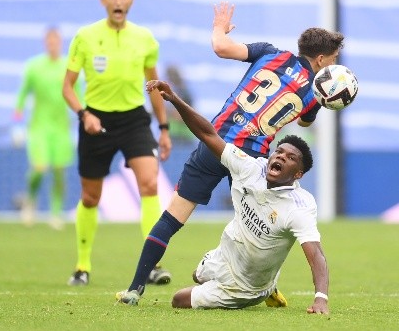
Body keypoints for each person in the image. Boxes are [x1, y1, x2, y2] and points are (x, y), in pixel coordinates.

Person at [116, 1, 343, 305]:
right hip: (254, 161)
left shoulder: (269, 53)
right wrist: (323, 98)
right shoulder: (315, 93)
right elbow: (303, 120)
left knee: (172, 217)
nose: (333, 67)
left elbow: (221, 47)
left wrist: (219, 27)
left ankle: (134, 288)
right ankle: (268, 287)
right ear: (319, 59)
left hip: (216, 143)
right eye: (332, 61)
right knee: (263, 229)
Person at [120, 80, 330, 314]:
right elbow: (208, 134)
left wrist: (321, 298)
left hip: (247, 284)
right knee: (196, 275)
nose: (280, 157)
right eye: (279, 151)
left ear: (298, 174)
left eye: (290, 158)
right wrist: (174, 99)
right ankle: (256, 286)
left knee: (178, 300)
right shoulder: (250, 167)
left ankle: (264, 289)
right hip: (226, 257)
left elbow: (316, 255)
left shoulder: (300, 206)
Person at [62, 0, 172, 286]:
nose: (118, 1)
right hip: (95, 120)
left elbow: (154, 86)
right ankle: (82, 266)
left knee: (150, 184)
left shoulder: (145, 39)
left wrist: (163, 127)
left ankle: (152, 265)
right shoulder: (85, 37)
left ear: (131, 1)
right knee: (90, 196)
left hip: (134, 120)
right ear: (103, 1)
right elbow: (67, 88)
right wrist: (84, 114)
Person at [13, 27, 78, 230]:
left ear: (60, 43)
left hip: (61, 128)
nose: (52, 45)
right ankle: (30, 201)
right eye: (49, 41)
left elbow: (78, 94)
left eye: (56, 41)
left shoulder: (68, 66)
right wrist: (17, 118)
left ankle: (56, 213)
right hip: (39, 127)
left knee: (59, 172)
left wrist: (83, 116)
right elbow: (23, 93)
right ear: (45, 43)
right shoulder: (34, 67)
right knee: (39, 169)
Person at [164, 64, 195, 144]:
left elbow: (188, 114)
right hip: (173, 135)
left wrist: (167, 112)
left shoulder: (184, 92)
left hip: (183, 138)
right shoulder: (175, 91)